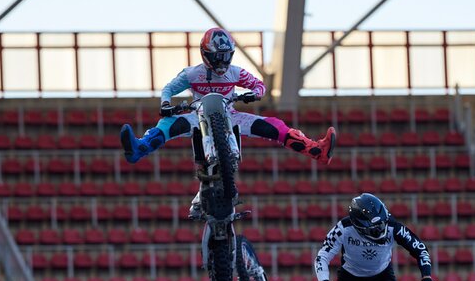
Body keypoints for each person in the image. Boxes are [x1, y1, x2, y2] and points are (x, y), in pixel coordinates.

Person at [120, 27, 337, 220]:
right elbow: (168, 89)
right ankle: (139, 148)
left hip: (230, 113)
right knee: (167, 123)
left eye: (226, 56)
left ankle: (316, 149)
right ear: (206, 55)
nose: (222, 63)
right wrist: (166, 104)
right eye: (217, 57)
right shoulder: (192, 73)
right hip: (198, 113)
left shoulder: (235, 72)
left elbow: (258, 84)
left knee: (275, 125)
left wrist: (254, 94)